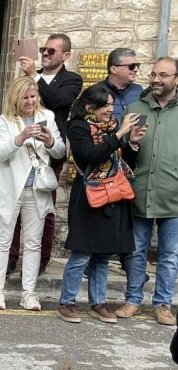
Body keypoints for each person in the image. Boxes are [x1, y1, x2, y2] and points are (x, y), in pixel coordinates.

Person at [55, 84, 141, 325]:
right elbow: (93, 156)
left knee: (103, 254)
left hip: (113, 195)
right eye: (106, 105)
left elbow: (125, 163)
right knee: (82, 253)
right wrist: (118, 134)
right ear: (90, 106)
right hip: (88, 196)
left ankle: (98, 302)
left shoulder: (113, 129)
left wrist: (132, 142)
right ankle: (66, 302)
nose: (111, 110)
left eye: (113, 105)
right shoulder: (78, 127)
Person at [0, 75, 65, 312]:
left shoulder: (47, 117)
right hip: (10, 188)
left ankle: (29, 293)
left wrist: (50, 141)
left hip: (37, 188)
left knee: (33, 243)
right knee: (2, 241)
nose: (30, 101)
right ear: (16, 99)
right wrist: (20, 138)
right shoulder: (5, 121)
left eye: (33, 96)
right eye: (25, 98)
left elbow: (60, 151)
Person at [9, 33, 83, 276]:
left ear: (66, 55)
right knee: (16, 205)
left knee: (45, 208)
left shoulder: (71, 79)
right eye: (44, 49)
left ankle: (41, 258)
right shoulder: (33, 75)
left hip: (50, 151)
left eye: (52, 50)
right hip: (23, 146)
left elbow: (57, 101)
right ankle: (11, 256)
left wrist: (34, 76)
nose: (45, 53)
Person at [116, 56, 177, 326]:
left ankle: (163, 304)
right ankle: (132, 300)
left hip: (173, 197)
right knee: (136, 251)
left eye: (163, 75)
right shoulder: (135, 106)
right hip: (139, 192)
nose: (155, 79)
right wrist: (133, 143)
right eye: (153, 74)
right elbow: (121, 154)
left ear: (176, 79)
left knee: (170, 255)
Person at [101, 48, 143, 123]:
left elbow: (142, 120)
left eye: (137, 65)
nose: (136, 69)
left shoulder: (139, 91)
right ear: (114, 69)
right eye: (131, 66)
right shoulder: (97, 91)